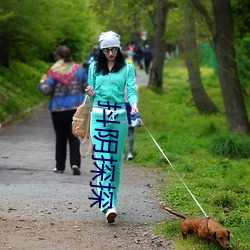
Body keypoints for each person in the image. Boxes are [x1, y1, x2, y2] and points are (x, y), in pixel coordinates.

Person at [85, 31, 138, 223]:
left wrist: (133, 104)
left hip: (119, 118)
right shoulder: (93, 68)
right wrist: (90, 92)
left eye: (114, 49)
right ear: (101, 50)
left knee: (115, 163)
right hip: (98, 117)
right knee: (104, 160)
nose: (110, 53)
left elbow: (131, 90)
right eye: (106, 50)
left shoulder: (127, 68)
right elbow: (91, 97)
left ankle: (110, 202)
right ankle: (108, 204)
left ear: (119, 48)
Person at [39, 45, 88, 175]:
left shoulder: (54, 71)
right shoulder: (79, 70)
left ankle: (60, 166)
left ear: (58, 57)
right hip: (75, 109)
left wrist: (42, 83)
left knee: (60, 138)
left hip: (58, 109)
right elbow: (86, 87)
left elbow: (47, 90)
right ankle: (75, 163)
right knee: (74, 137)